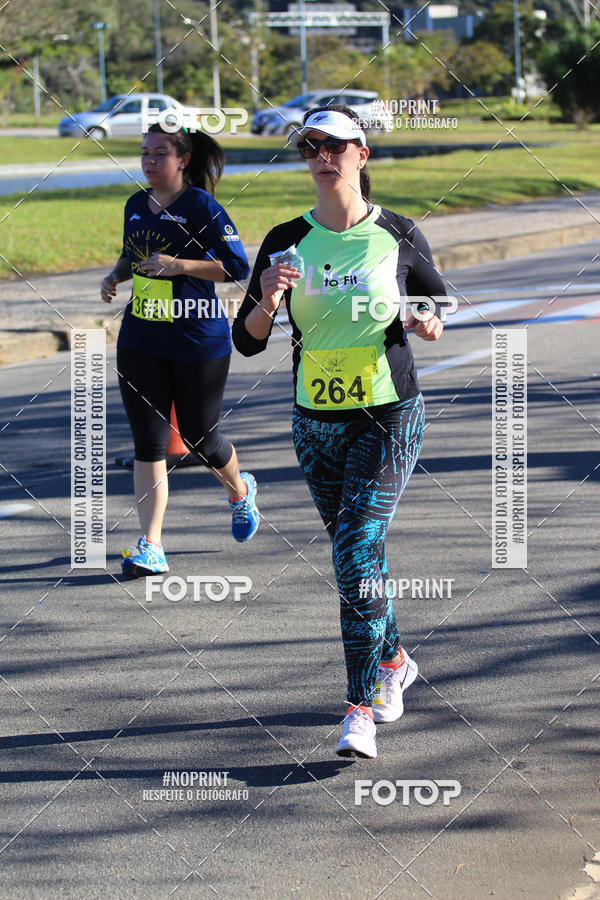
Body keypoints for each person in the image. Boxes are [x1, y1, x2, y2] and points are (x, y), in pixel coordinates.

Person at [232, 107, 446, 759]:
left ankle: (358, 708)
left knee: (354, 544)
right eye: (311, 146)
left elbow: (436, 298)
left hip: (389, 413)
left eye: (336, 145)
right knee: (360, 555)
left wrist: (427, 319)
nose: (322, 155)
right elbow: (245, 341)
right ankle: (395, 661)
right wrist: (267, 298)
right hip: (315, 421)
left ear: (363, 154)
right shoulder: (284, 239)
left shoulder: (398, 234)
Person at [101, 123, 259, 577]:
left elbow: (236, 266)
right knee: (148, 445)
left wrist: (180, 265)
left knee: (199, 437)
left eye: (160, 154)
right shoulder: (136, 204)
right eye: (144, 153)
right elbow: (134, 253)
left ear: (183, 159)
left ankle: (239, 490)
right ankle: (151, 544)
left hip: (197, 340)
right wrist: (116, 276)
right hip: (141, 339)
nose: (149, 161)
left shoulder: (201, 206)